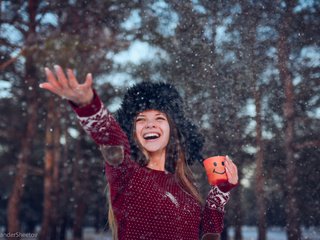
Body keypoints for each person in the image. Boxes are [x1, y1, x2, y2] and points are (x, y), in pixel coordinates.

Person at [40, 65, 238, 240]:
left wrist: (220, 192)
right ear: (132, 132)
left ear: (172, 129)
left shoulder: (185, 187)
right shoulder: (126, 174)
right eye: (141, 119)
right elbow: (111, 139)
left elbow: (206, 234)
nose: (150, 124)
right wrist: (89, 106)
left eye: (159, 118)